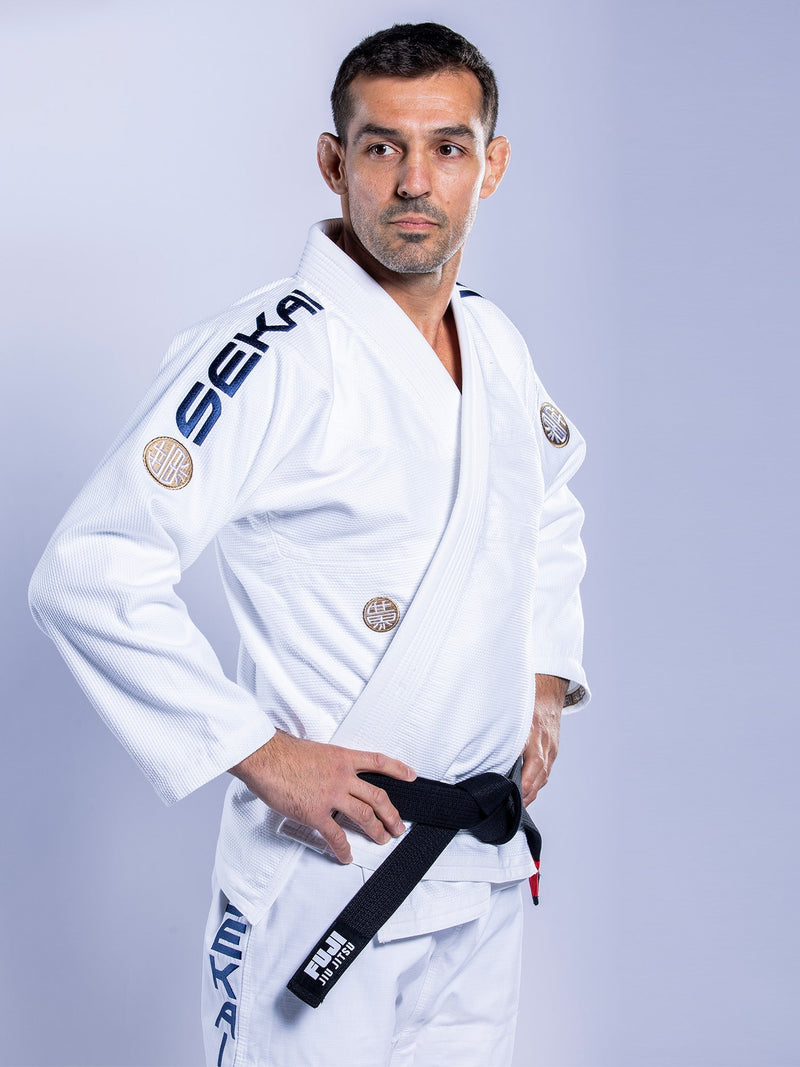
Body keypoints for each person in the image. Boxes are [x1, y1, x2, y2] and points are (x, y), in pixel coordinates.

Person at [29, 21, 589, 1067]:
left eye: (447, 148)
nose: (414, 180)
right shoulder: (269, 356)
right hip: (325, 873)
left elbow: (547, 500)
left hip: (477, 868)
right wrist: (260, 752)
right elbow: (90, 568)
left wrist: (546, 674)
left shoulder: (498, 347)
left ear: (491, 165)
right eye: (381, 147)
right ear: (334, 163)